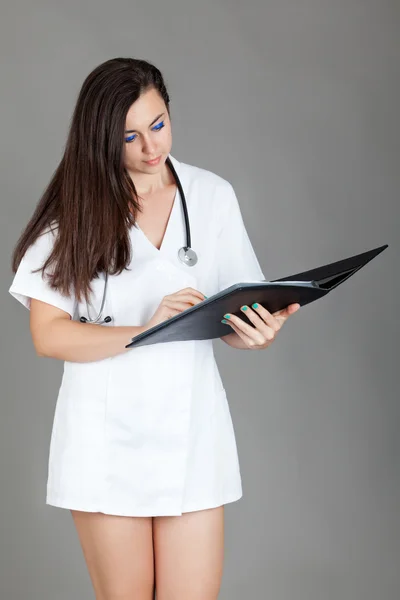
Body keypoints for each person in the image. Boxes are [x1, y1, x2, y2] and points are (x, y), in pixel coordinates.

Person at [8, 57, 299, 600]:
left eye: (159, 123)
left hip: (191, 430)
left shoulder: (211, 196)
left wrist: (256, 330)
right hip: (104, 439)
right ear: (101, 140)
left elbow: (232, 317)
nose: (151, 147)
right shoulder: (74, 213)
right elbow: (49, 335)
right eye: (130, 136)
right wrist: (148, 327)